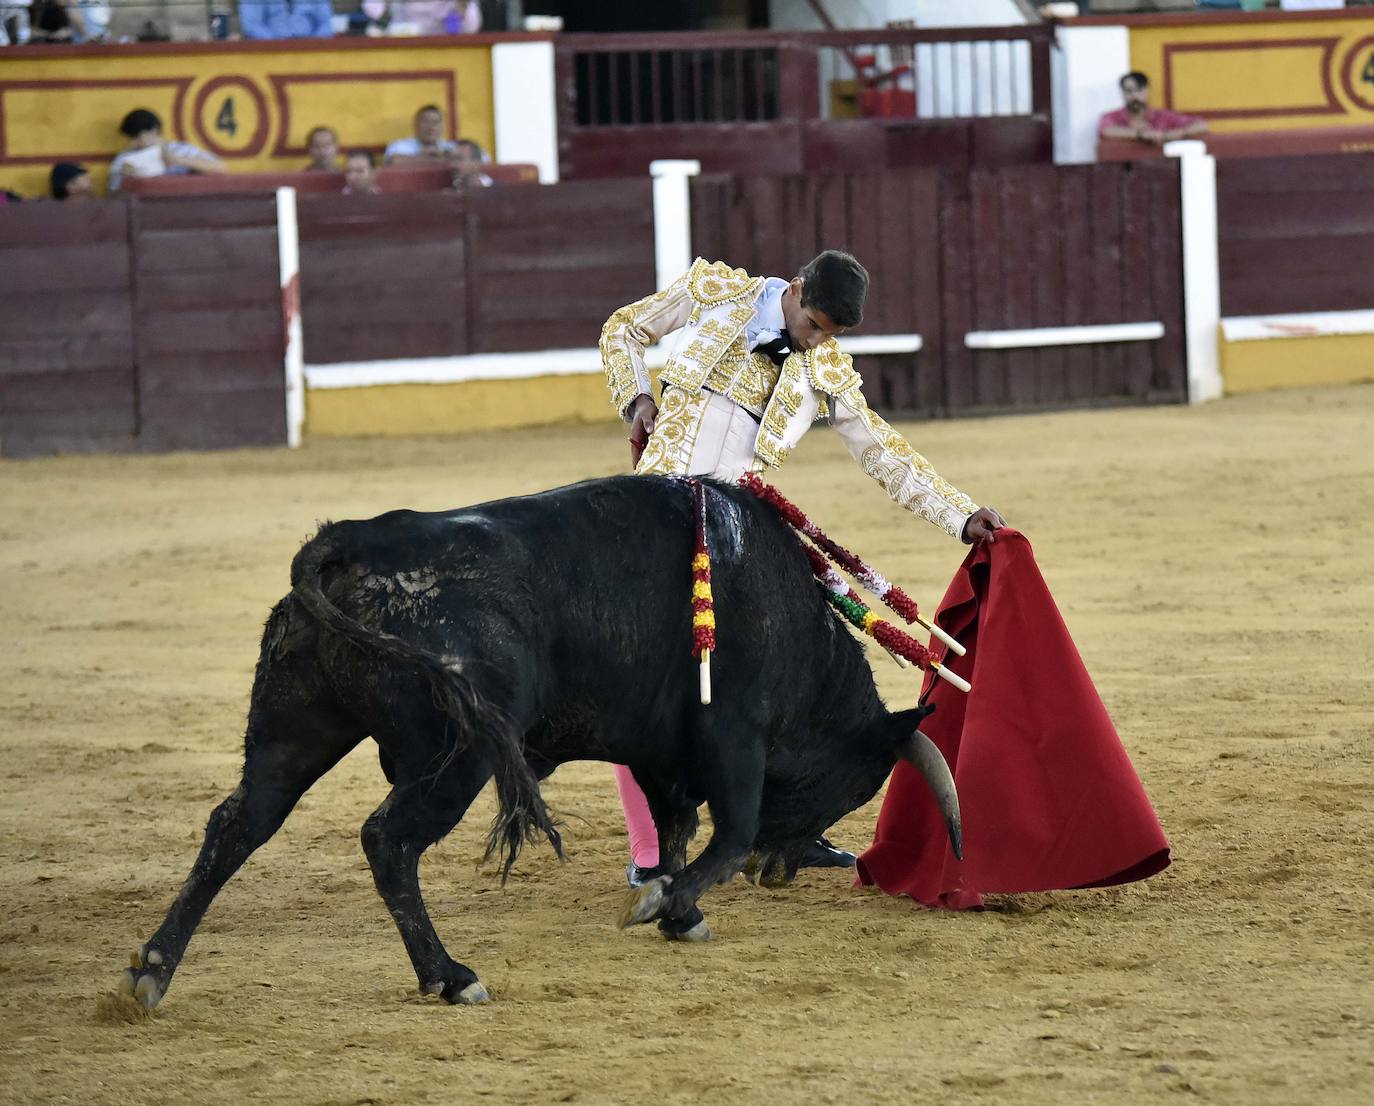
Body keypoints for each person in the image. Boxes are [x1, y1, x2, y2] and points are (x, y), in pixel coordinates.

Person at [600, 251, 1007, 886]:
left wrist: (961, 514)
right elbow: (624, 327)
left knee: (788, 673)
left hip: (736, 535)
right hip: (648, 522)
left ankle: (787, 826)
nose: (814, 341)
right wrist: (636, 401)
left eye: (829, 335)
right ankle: (650, 854)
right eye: (812, 324)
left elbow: (885, 454)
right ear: (793, 291)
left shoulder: (827, 372)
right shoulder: (715, 291)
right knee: (638, 682)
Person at [108, 109, 225, 194]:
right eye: (131, 139)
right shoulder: (124, 159)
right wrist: (127, 181)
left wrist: (179, 161)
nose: (133, 144)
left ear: (154, 131)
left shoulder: (180, 150)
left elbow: (219, 167)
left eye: (138, 137)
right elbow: (113, 199)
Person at [1098, 71, 1208, 148]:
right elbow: (1105, 130)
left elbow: (1202, 124)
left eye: (1139, 90)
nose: (1134, 96)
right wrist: (1141, 135)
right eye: (1129, 91)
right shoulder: (1112, 117)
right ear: (1122, 93)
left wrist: (1179, 133)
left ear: (1147, 91)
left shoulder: (1163, 116)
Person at [383, 104, 457, 165]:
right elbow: (393, 162)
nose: (431, 127)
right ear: (416, 125)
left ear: (443, 127)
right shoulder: (398, 146)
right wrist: (425, 156)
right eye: (426, 122)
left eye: (435, 122)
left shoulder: (451, 147)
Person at [237, 0, 334, 40]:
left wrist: (311, 46)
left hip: (310, 52)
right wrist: (279, 46)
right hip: (268, 53)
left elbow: (326, 24)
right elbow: (251, 26)